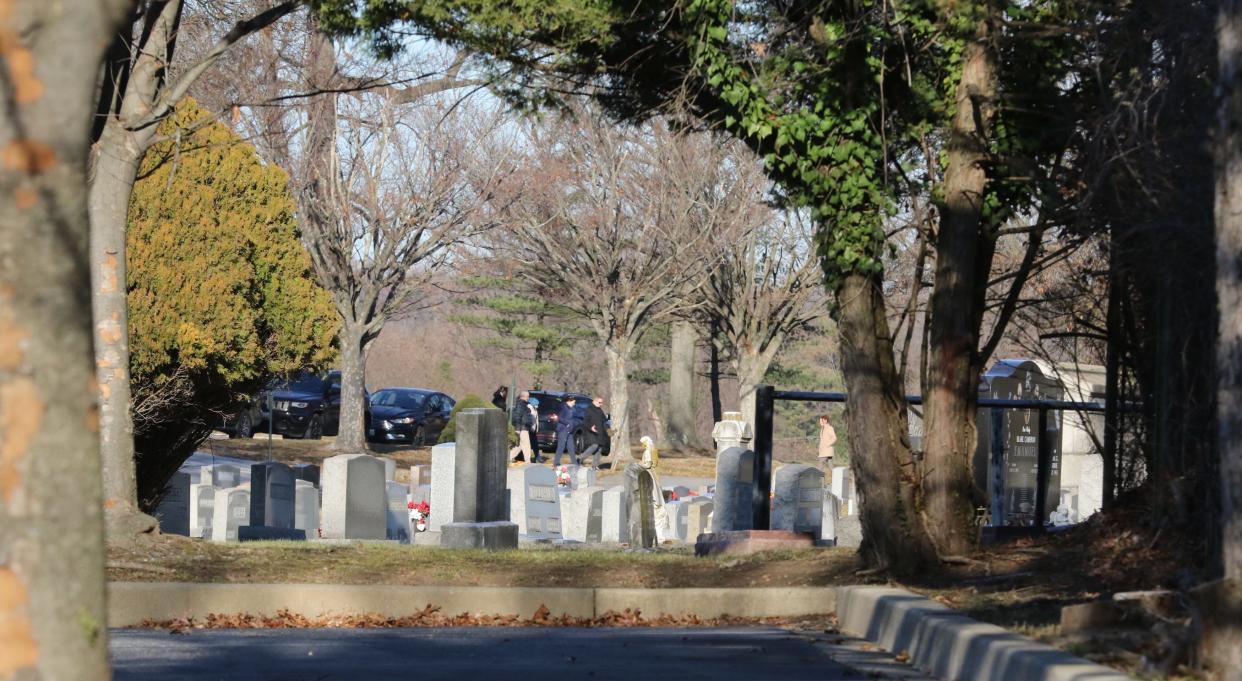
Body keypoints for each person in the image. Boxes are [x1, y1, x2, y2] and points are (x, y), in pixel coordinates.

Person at [579, 396, 609, 470]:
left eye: (602, 403)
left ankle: (595, 465)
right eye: (599, 402)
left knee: (599, 449)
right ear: (594, 401)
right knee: (594, 446)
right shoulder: (589, 409)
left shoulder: (600, 410)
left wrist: (609, 430)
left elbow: (604, 421)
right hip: (591, 432)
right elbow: (585, 422)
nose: (601, 404)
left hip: (600, 432)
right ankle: (580, 458)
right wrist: (590, 427)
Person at [509, 391, 535, 464]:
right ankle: (528, 461)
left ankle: (509, 457)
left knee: (519, 445)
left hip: (523, 427)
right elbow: (517, 417)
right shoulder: (521, 404)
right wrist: (517, 429)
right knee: (526, 445)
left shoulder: (522, 404)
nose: (528, 398)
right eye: (528, 396)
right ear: (524, 397)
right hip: (522, 428)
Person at [553, 396, 579, 467]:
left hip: (570, 431)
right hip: (563, 429)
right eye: (573, 402)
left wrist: (572, 425)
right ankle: (556, 462)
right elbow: (560, 418)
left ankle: (574, 462)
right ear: (569, 401)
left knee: (571, 446)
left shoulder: (571, 409)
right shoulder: (563, 408)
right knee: (561, 446)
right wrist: (567, 423)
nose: (574, 403)